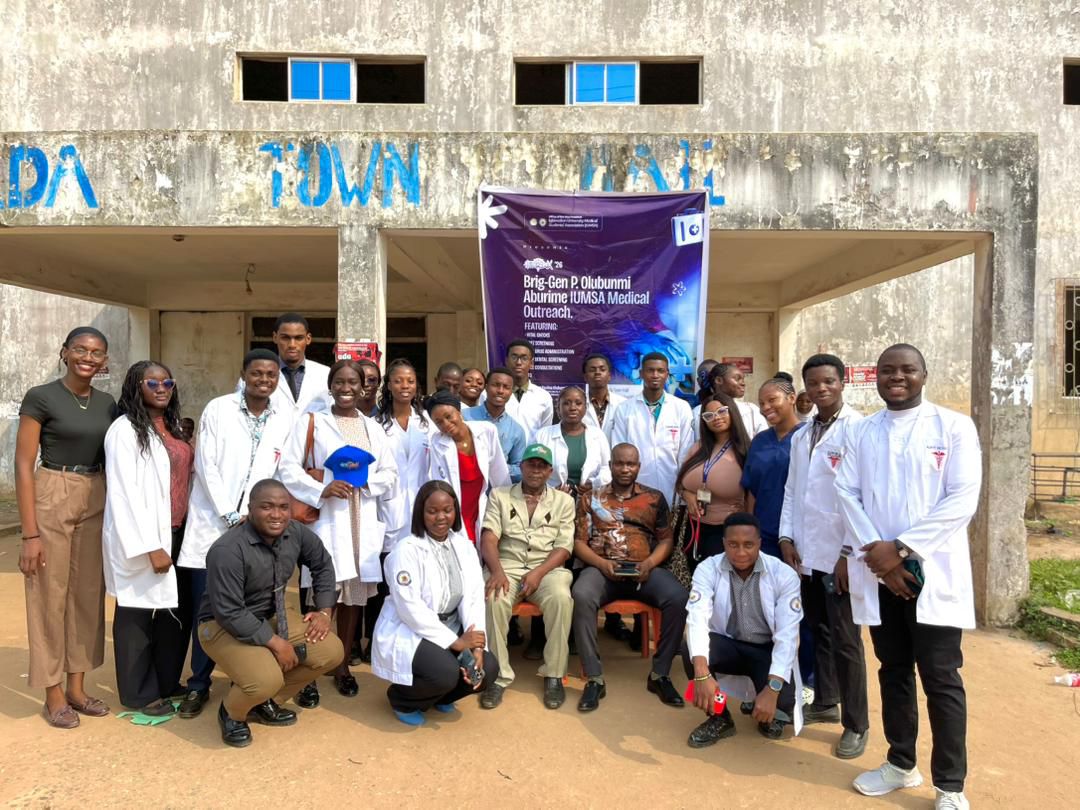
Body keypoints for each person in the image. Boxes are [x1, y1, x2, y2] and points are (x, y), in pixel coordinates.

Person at [836, 344, 981, 809]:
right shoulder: (862, 431)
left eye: (907, 370)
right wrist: (882, 560)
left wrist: (899, 550)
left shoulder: (953, 427)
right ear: (875, 376)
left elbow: (962, 498)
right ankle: (901, 763)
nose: (896, 377)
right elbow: (846, 492)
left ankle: (951, 786)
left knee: (941, 677)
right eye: (887, 370)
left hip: (933, 573)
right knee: (893, 669)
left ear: (924, 374)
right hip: (880, 575)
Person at [175, 349, 292, 719]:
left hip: (258, 529)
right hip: (214, 523)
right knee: (208, 610)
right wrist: (229, 513)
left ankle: (251, 685)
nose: (264, 380)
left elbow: (282, 471)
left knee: (256, 609)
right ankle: (199, 684)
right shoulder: (219, 409)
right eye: (257, 373)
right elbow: (205, 464)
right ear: (243, 374)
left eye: (271, 375)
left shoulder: (284, 417)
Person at [16, 326, 116, 728]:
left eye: (96, 352)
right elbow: (24, 463)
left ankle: (77, 687)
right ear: (65, 352)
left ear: (105, 360)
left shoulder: (107, 403)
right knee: (48, 594)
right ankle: (53, 693)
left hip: (96, 492)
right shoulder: (41, 396)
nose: (88, 357)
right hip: (53, 489)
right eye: (80, 349)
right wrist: (30, 534)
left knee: (87, 595)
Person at [279, 360, 397, 698]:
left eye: (353, 382)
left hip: (361, 519)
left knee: (353, 598)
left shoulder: (373, 428)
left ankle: (342, 665)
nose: (346, 388)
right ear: (330, 386)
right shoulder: (313, 422)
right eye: (339, 382)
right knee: (320, 595)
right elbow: (288, 467)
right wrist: (322, 489)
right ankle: (309, 672)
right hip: (327, 519)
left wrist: (366, 483)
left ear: (363, 387)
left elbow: (390, 472)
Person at [196, 479, 344, 748]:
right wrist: (276, 643)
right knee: (265, 678)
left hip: (272, 613)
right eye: (267, 507)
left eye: (283, 507)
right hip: (221, 624)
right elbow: (229, 611)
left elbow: (322, 564)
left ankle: (264, 702)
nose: (277, 515)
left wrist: (324, 611)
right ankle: (232, 713)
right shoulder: (228, 550)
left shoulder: (295, 532)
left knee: (331, 651)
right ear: (250, 509)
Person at [778, 353, 868, 759]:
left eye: (828, 381)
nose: (821, 389)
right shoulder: (802, 435)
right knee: (819, 629)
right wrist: (786, 536)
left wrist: (849, 552)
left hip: (842, 553)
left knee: (847, 639)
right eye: (813, 383)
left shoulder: (858, 430)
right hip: (807, 552)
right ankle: (827, 702)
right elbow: (792, 490)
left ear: (842, 382)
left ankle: (857, 724)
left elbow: (863, 497)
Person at [103, 361, 194, 715]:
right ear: (135, 386)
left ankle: (167, 682)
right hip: (147, 536)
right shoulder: (124, 430)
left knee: (174, 613)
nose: (161, 389)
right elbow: (123, 493)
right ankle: (139, 693)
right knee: (136, 613)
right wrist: (150, 546)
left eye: (167, 382)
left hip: (180, 531)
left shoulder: (172, 427)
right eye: (152, 382)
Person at [572, 444, 688, 712]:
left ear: (638, 467)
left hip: (643, 571)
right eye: (620, 463)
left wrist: (649, 563)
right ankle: (594, 678)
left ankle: (660, 674)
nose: (625, 469)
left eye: (631, 464)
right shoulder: (591, 498)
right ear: (611, 465)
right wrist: (601, 564)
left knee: (678, 597)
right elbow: (578, 543)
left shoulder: (654, 498)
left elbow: (666, 540)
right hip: (603, 570)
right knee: (581, 594)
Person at [372, 481, 499, 725]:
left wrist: (476, 644)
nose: (441, 517)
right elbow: (410, 608)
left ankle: (441, 697)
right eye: (432, 511)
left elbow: (473, 597)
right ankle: (402, 699)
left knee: (488, 668)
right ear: (421, 513)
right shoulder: (406, 550)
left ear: (455, 511)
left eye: (447, 510)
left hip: (452, 624)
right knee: (444, 672)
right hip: (413, 629)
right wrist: (456, 642)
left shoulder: (464, 546)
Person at [681, 513, 803, 747]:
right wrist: (702, 674)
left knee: (782, 706)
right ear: (723, 543)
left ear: (759, 543)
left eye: (748, 544)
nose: (741, 552)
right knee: (690, 652)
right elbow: (697, 619)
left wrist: (772, 690)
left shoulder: (783, 574)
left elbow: (787, 637)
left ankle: (764, 704)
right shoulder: (707, 569)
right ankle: (719, 716)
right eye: (733, 544)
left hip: (766, 652)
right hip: (729, 645)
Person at [479, 444, 575, 710]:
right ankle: (498, 675)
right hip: (507, 566)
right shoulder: (500, 495)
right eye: (531, 464)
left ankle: (554, 674)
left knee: (561, 599)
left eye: (542, 466)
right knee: (494, 598)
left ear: (550, 471)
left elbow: (564, 547)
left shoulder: (564, 501)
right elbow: (488, 538)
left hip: (547, 568)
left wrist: (538, 573)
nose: (536, 470)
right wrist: (497, 571)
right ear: (521, 467)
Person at [676, 393, 751, 570]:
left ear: (732, 412)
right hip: (695, 528)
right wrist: (687, 495)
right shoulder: (698, 447)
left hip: (728, 530)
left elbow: (753, 494)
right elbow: (680, 483)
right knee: (697, 579)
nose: (716, 418)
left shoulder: (746, 451)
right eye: (709, 415)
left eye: (721, 411)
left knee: (720, 581)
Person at [427, 390, 511, 543]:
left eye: (448, 416)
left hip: (480, 507)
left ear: (459, 411)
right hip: (455, 509)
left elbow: (500, 475)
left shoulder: (486, 431)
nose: (446, 424)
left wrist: (508, 509)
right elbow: (439, 485)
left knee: (484, 547)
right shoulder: (437, 444)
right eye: (439, 422)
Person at [609, 352, 694, 504]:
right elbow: (618, 450)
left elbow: (686, 452)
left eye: (660, 371)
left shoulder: (681, 407)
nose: (655, 375)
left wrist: (683, 486)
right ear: (641, 373)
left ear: (667, 374)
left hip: (672, 484)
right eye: (650, 370)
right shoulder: (624, 409)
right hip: (635, 486)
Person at [740, 377, 805, 559]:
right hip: (764, 532)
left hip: (799, 534)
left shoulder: (807, 437)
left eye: (772, 400)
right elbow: (752, 489)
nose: (765, 407)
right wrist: (751, 528)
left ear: (792, 398)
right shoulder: (760, 441)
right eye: (761, 403)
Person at [535, 386, 612, 495]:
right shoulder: (542, 435)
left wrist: (594, 483)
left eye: (578, 403)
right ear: (558, 408)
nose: (572, 408)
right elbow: (533, 470)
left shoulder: (598, 435)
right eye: (566, 403)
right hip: (550, 498)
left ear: (585, 408)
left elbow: (606, 468)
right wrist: (552, 491)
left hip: (589, 498)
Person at [463, 367, 527, 483]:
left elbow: (520, 469)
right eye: (496, 385)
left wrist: (496, 467)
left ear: (511, 392)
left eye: (506, 387)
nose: (500, 391)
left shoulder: (516, 430)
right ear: (486, 387)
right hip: (466, 486)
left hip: (498, 491)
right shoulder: (464, 417)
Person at [267, 312, 332, 417]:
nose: (292, 345)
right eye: (285, 338)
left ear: (308, 339)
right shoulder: (257, 376)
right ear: (275, 337)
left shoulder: (325, 374)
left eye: (298, 338)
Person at [501, 339, 553, 441]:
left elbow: (545, 434)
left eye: (524, 358)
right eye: (514, 357)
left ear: (531, 363)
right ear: (506, 361)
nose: (518, 362)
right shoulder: (491, 395)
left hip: (532, 451)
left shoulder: (543, 397)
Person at [710, 363, 768, 436]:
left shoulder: (751, 410)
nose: (743, 383)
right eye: (737, 379)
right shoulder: (700, 413)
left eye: (743, 379)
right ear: (719, 380)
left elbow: (765, 439)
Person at [581, 353, 625, 440]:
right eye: (592, 370)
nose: (597, 373)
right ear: (585, 377)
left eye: (602, 369)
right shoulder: (578, 405)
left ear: (609, 376)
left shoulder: (623, 404)